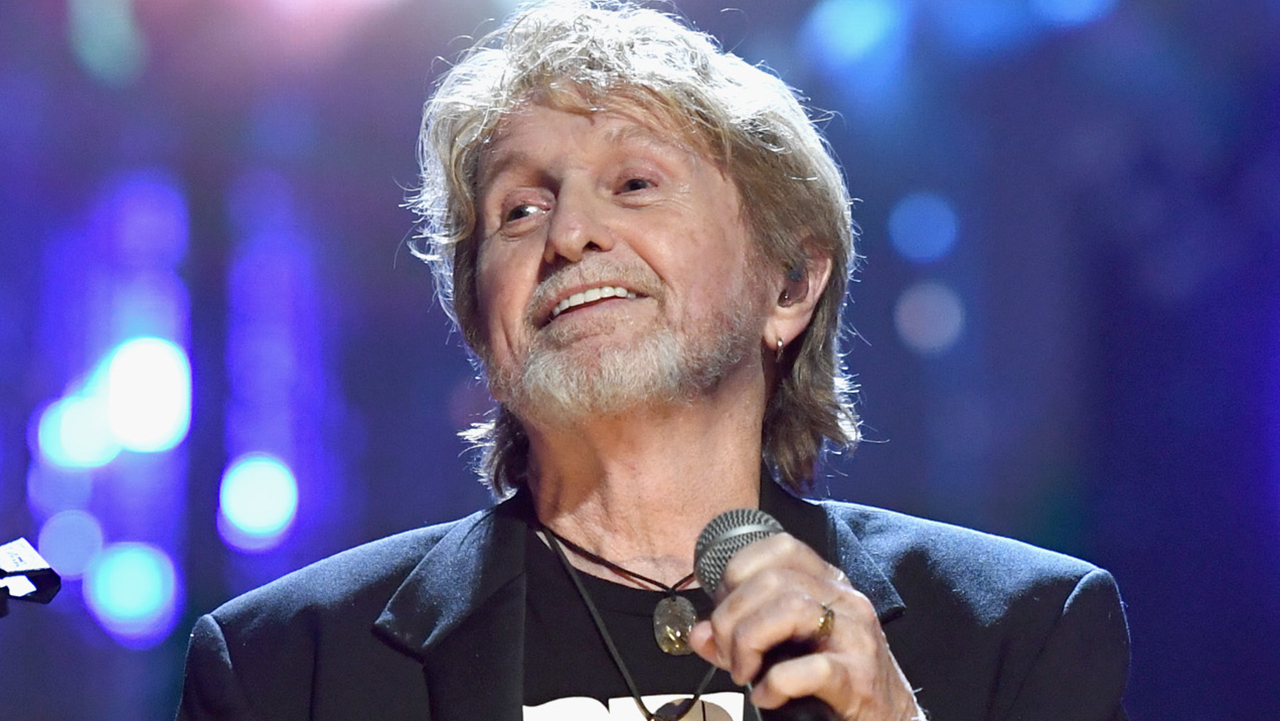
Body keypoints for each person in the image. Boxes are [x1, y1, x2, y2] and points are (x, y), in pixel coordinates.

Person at [176, 2, 1130, 720]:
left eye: (635, 184)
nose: (571, 234)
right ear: (479, 321)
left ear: (789, 283)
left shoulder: (1019, 634)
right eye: (519, 210)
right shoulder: (286, 666)